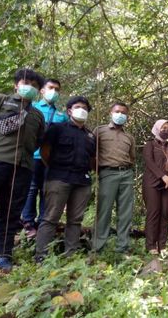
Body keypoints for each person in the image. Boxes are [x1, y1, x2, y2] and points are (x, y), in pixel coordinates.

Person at [0, 68, 45, 272]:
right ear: (16, 84)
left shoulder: (37, 115)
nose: (29, 86)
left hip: (23, 167)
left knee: (10, 213)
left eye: (35, 85)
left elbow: (37, 141)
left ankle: (2, 255)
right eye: (25, 82)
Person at [35, 96, 96, 261]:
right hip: (58, 178)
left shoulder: (90, 135)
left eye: (85, 107)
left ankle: (71, 254)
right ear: (69, 110)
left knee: (75, 220)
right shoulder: (57, 128)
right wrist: (56, 168)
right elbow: (45, 152)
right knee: (51, 218)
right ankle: (41, 256)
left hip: (82, 181)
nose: (81, 109)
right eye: (78, 106)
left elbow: (92, 159)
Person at [21, 78, 68, 239]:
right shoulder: (32, 108)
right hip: (32, 155)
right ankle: (27, 221)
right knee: (31, 188)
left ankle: (42, 222)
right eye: (50, 87)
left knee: (46, 190)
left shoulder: (61, 115)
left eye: (57, 89)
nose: (53, 91)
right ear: (42, 90)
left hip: (50, 158)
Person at [92, 102, 136, 253]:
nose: (120, 114)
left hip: (127, 174)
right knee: (104, 210)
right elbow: (92, 153)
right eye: (117, 111)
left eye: (124, 112)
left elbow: (132, 157)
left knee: (125, 212)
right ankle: (97, 247)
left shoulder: (129, 137)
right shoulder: (100, 131)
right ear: (110, 113)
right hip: (107, 173)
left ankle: (122, 247)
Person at [142, 120, 168, 255]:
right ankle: (151, 245)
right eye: (163, 127)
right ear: (157, 129)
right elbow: (149, 162)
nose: (166, 130)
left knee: (165, 213)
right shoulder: (149, 145)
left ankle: (162, 245)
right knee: (153, 212)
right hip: (152, 183)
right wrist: (163, 176)